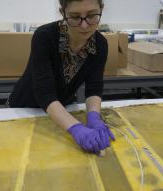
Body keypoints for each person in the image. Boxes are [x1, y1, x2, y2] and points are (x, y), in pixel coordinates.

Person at [7, 0, 115, 154]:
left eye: (91, 16)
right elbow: (45, 94)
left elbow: (94, 87)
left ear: (101, 10)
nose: (84, 25)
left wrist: (94, 116)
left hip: (61, 113)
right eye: (75, 17)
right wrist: (76, 128)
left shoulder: (100, 44)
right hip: (25, 109)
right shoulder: (44, 36)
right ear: (63, 13)